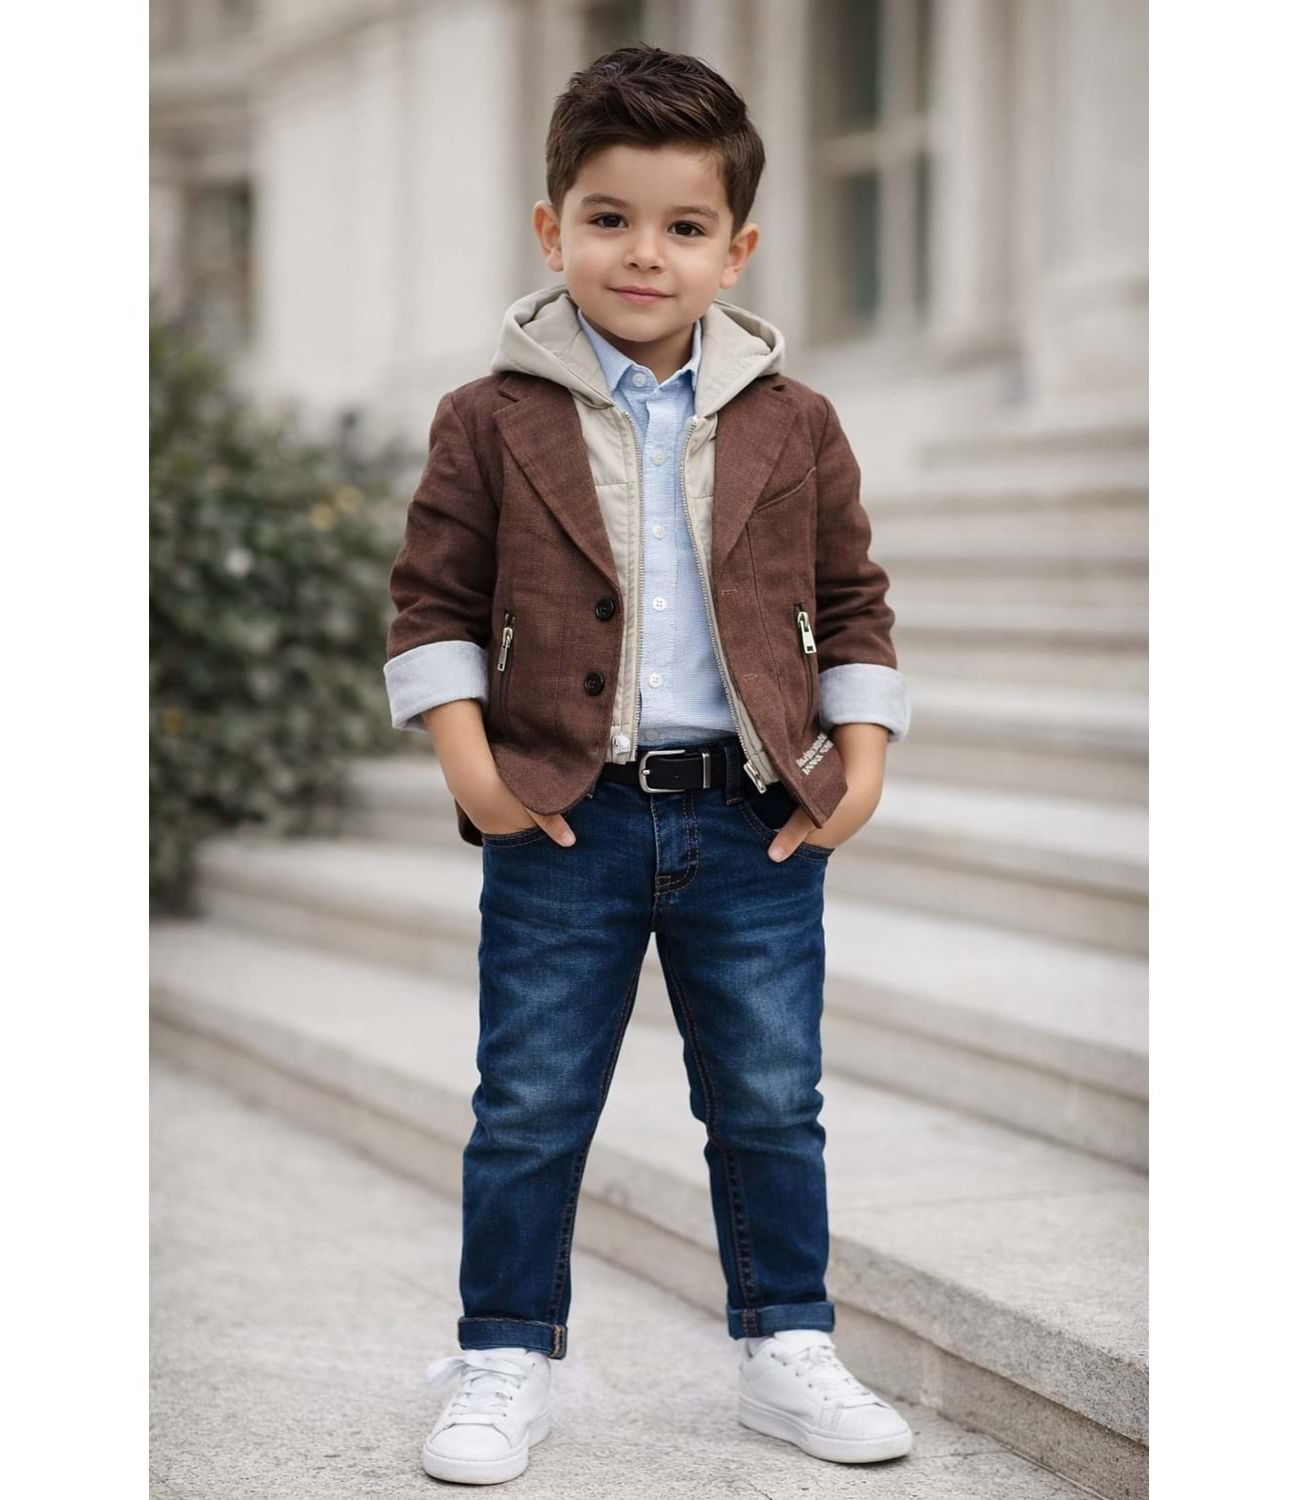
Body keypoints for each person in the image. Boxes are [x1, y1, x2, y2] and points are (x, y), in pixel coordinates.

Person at [382, 43, 914, 1486]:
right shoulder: (490, 416)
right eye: (608, 218)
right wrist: (477, 775)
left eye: (684, 227)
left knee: (770, 1101)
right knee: (530, 1102)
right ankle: (504, 1355)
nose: (643, 253)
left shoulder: (794, 420)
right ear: (550, 228)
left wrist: (858, 762)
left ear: (736, 251)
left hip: (751, 821)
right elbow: (431, 604)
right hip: (566, 819)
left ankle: (787, 1345)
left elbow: (853, 598)